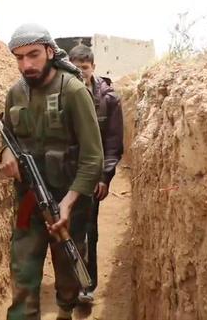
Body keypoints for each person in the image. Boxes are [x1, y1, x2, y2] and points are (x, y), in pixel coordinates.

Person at [0, 24, 104, 320]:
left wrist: (68, 204)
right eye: (19, 58)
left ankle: (65, 310)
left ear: (49, 51)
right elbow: (8, 135)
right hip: (29, 199)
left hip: (69, 198)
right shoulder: (15, 93)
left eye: (33, 55)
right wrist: (6, 151)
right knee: (23, 268)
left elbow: (93, 156)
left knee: (67, 265)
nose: (26, 65)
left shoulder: (72, 90)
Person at [68, 44, 124, 304]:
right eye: (75, 68)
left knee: (89, 230)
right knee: (65, 229)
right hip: (65, 173)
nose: (80, 73)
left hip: (92, 176)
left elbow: (113, 142)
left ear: (93, 67)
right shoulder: (61, 92)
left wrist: (105, 176)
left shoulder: (109, 98)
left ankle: (86, 287)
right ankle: (67, 283)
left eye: (85, 68)